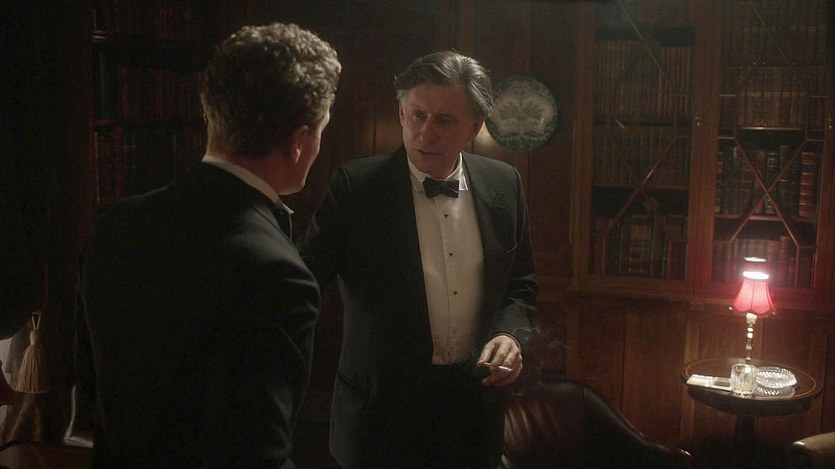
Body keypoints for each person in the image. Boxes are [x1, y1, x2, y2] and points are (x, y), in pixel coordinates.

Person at [74, 22, 340, 467]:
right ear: (298, 142)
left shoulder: (115, 226)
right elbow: (256, 455)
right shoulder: (277, 274)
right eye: (321, 129)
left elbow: (94, 394)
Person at [298, 50, 537, 468]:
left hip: (473, 415)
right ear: (401, 113)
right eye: (418, 115)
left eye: (444, 120)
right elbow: (301, 283)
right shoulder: (357, 188)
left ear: (474, 127)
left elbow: (521, 285)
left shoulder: (504, 183)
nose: (426, 133)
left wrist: (512, 337)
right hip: (379, 419)